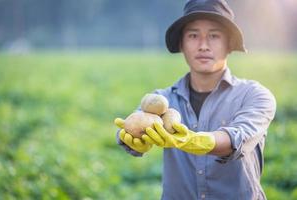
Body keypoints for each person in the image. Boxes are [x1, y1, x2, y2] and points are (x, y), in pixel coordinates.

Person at [114, 0, 276, 199]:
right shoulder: (161, 100)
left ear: (229, 44)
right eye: (193, 35)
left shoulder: (255, 96)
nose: (203, 45)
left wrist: (193, 141)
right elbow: (135, 122)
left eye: (214, 36)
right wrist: (133, 140)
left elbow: (238, 138)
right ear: (182, 44)